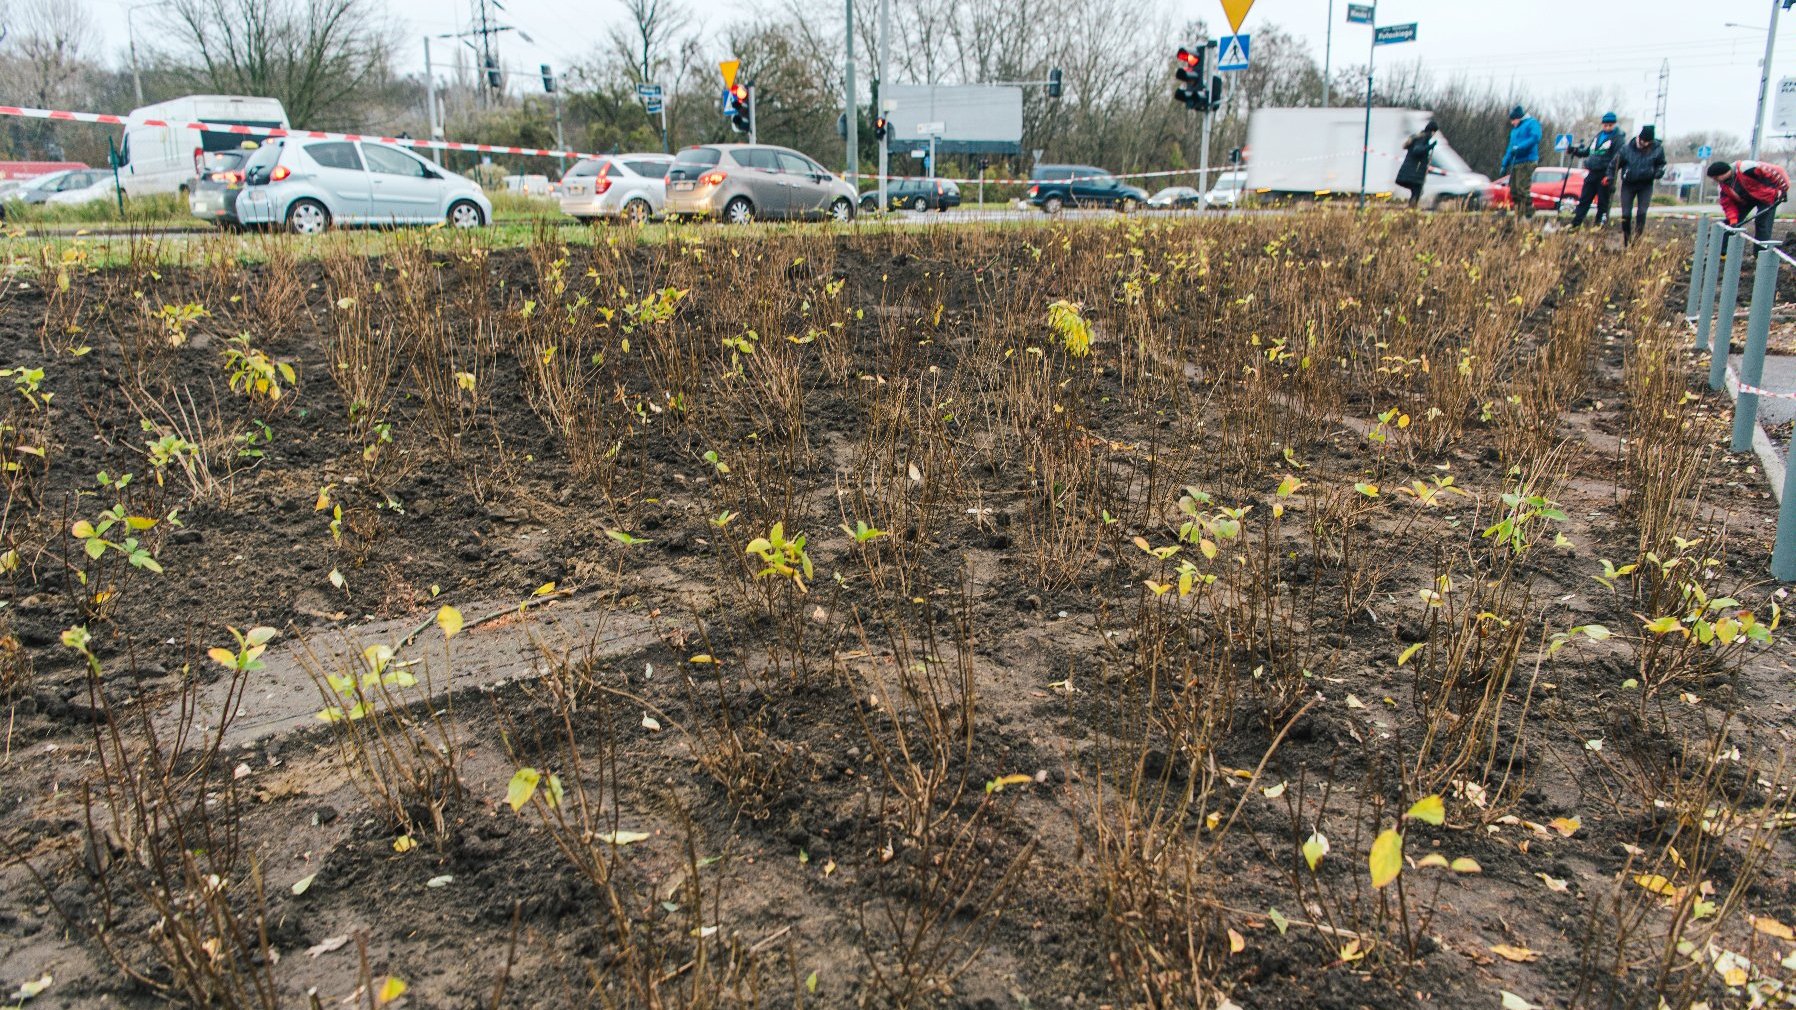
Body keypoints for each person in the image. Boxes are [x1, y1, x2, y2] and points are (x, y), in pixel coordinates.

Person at [1708, 159, 1789, 244]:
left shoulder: (1746, 168)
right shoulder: (1723, 186)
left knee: (1762, 222)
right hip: (1745, 200)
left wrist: (1783, 189)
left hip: (1767, 196)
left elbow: (1777, 171)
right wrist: (1733, 220)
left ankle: (1761, 253)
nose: (1715, 180)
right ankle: (1723, 252)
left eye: (1716, 177)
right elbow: (1728, 205)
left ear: (1724, 173)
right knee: (1729, 224)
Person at [1568, 112, 1625, 229]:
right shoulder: (1598, 136)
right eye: (1605, 125)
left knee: (1602, 202)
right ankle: (1576, 224)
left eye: (1610, 125)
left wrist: (1609, 176)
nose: (1607, 127)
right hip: (1592, 172)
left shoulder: (1618, 138)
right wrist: (1575, 151)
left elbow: (1617, 159)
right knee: (1584, 199)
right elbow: (1588, 151)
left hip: (1604, 174)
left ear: (1614, 124)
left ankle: (1599, 226)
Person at [1614, 126, 1665, 244]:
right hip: (1628, 184)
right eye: (1643, 141)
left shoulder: (1657, 149)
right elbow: (1615, 164)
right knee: (1626, 213)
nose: (1645, 144)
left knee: (1642, 212)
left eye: (1648, 142)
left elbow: (1661, 164)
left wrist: (1659, 172)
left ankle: (1637, 239)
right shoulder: (1626, 149)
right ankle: (1627, 239)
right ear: (1639, 138)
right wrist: (1610, 178)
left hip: (1646, 185)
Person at [1500, 105, 1542, 218]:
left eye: (1513, 120)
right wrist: (1504, 164)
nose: (1512, 122)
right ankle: (1519, 214)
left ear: (1519, 118)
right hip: (1516, 162)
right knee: (1514, 190)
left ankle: (1529, 214)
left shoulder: (1532, 123)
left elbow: (1535, 138)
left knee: (1522, 188)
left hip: (1528, 161)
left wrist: (1520, 147)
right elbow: (1510, 148)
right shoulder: (1514, 131)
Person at [1395, 121, 1438, 207]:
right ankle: (1411, 212)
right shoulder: (1423, 139)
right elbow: (1417, 151)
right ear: (1432, 131)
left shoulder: (1420, 138)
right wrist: (1430, 147)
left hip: (1411, 172)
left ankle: (1411, 210)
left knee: (1417, 192)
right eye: (1434, 132)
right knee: (1417, 191)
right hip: (1413, 173)